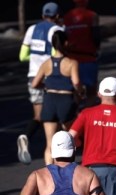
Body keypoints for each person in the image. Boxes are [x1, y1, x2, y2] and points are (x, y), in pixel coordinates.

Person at [18, 2, 64, 165]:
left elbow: (22, 56)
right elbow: (57, 55)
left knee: (38, 116)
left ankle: (26, 135)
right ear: (57, 16)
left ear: (43, 15)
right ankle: (56, 154)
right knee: (55, 116)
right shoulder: (56, 30)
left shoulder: (31, 29)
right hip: (49, 77)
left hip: (32, 76)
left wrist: (36, 58)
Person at [30, 30, 83, 166]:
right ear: (66, 43)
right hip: (65, 100)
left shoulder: (46, 63)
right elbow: (76, 82)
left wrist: (47, 85)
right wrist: (80, 92)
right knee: (70, 139)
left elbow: (35, 83)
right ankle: (67, 168)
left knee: (49, 143)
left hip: (49, 100)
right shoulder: (71, 63)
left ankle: (50, 171)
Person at [63, 0, 100, 107]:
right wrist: (97, 49)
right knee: (91, 91)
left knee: (75, 89)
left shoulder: (67, 16)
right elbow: (96, 36)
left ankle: (76, 113)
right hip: (88, 56)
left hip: (72, 57)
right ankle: (87, 115)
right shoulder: (92, 15)